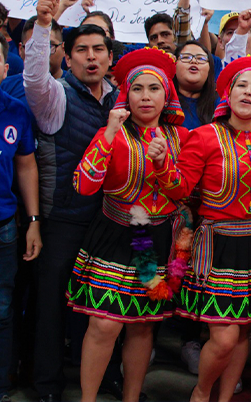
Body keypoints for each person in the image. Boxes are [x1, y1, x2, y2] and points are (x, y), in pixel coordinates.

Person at [166, 56, 251, 402]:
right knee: (223, 338)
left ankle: (223, 399)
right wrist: (160, 163)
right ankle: (201, 392)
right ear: (228, 92)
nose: (248, 92)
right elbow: (179, 190)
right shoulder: (205, 136)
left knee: (242, 335)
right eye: (242, 85)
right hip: (219, 246)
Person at [67, 48, 187, 402]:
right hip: (115, 234)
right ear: (126, 95)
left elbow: (183, 191)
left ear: (167, 96)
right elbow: (83, 185)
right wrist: (108, 134)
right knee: (105, 323)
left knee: (142, 325)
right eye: (138, 89)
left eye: (154, 89)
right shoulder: (113, 133)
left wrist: (165, 163)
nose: (146, 96)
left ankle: (131, 398)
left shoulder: (180, 138)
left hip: (160, 236)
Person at [25, 0, 120, 402]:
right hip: (62, 219)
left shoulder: (123, 99)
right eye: (81, 50)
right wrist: (46, 24)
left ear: (111, 57)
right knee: (50, 308)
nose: (91, 57)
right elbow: (32, 78)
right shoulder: (55, 97)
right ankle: (46, 387)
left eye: (99, 49)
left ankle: (99, 382)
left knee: (100, 310)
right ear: (67, 59)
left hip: (109, 222)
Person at [0, 27, 41, 402]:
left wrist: (34, 222)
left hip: (1, 231)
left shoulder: (17, 111)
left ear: (6, 69)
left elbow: (26, 167)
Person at [174, 40, 218, 130]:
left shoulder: (220, 104)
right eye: (186, 57)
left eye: (201, 58)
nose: (193, 61)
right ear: (175, 64)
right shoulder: (164, 102)